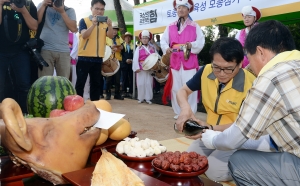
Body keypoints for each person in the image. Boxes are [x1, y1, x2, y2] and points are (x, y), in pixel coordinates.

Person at [201, 20, 300, 185]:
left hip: (228, 135)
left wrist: (212, 138)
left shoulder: (270, 77)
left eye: (249, 57)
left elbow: (233, 139)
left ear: (260, 52)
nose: (250, 66)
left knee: (239, 161)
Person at [176, 37, 260, 181]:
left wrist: (211, 127)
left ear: (240, 64)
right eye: (216, 67)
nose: (221, 73)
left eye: (228, 68)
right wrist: (185, 109)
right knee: (189, 160)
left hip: (235, 136)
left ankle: (253, 161)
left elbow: (247, 124)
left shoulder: (252, 84)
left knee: (214, 171)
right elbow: (182, 91)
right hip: (209, 132)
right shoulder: (206, 71)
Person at [161, 0, 205, 120]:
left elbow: (201, 42)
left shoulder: (195, 26)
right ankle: (179, 111)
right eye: (178, 8)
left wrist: (191, 45)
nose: (180, 10)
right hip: (175, 61)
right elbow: (163, 41)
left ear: (188, 9)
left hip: (189, 60)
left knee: (189, 87)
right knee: (176, 87)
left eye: (183, 7)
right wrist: (166, 48)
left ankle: (190, 112)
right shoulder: (170, 26)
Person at [0, 0, 38, 113]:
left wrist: (23, 11)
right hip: (1, 51)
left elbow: (34, 26)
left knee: (24, 85)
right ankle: (2, 115)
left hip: (21, 52)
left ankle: (24, 114)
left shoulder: (28, 4)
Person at [75, 0, 113, 101]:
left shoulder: (104, 23)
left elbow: (110, 35)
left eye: (102, 9)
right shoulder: (84, 20)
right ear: (91, 9)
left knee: (96, 84)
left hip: (98, 58)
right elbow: (84, 35)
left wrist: (110, 26)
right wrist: (93, 25)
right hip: (84, 57)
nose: (99, 11)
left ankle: (95, 105)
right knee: (80, 83)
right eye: (97, 8)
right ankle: (77, 104)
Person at [37, 0, 77, 78]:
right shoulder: (43, 5)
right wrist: (43, 5)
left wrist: (62, 12)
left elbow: (73, 29)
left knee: (63, 82)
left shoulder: (69, 10)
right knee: (44, 81)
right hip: (45, 49)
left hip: (63, 51)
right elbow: (36, 22)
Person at [132, 30, 156, 104]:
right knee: (141, 83)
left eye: (146, 38)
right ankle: (141, 98)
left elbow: (156, 57)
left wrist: (155, 67)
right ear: (141, 39)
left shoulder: (153, 48)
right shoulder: (138, 48)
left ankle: (148, 98)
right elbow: (135, 59)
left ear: (149, 39)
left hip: (150, 68)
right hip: (141, 68)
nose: (145, 39)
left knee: (149, 83)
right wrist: (136, 68)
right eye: (143, 38)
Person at [105, 23, 124, 100]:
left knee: (117, 78)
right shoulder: (106, 38)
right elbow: (104, 47)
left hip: (117, 61)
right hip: (109, 60)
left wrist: (119, 48)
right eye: (113, 29)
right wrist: (110, 47)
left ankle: (117, 94)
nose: (114, 31)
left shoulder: (119, 38)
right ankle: (108, 94)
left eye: (116, 30)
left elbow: (123, 47)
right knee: (108, 78)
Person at [120, 32, 134, 98]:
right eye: (126, 37)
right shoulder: (121, 45)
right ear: (124, 38)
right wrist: (125, 60)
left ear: (131, 38)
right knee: (124, 78)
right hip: (124, 64)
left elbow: (135, 55)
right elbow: (120, 55)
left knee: (131, 78)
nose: (127, 38)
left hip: (131, 64)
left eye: (129, 37)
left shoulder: (133, 46)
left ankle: (131, 91)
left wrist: (132, 60)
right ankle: (124, 91)